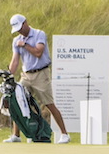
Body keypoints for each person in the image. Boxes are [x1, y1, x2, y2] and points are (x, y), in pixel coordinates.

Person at [7, 13, 68, 143]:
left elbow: (38, 52)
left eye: (20, 28)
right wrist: (9, 74)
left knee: (49, 104)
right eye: (17, 30)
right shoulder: (16, 41)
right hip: (26, 75)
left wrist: (24, 45)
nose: (19, 31)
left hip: (41, 74)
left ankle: (64, 134)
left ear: (25, 23)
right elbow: (15, 61)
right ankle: (16, 136)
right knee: (18, 101)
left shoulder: (39, 34)